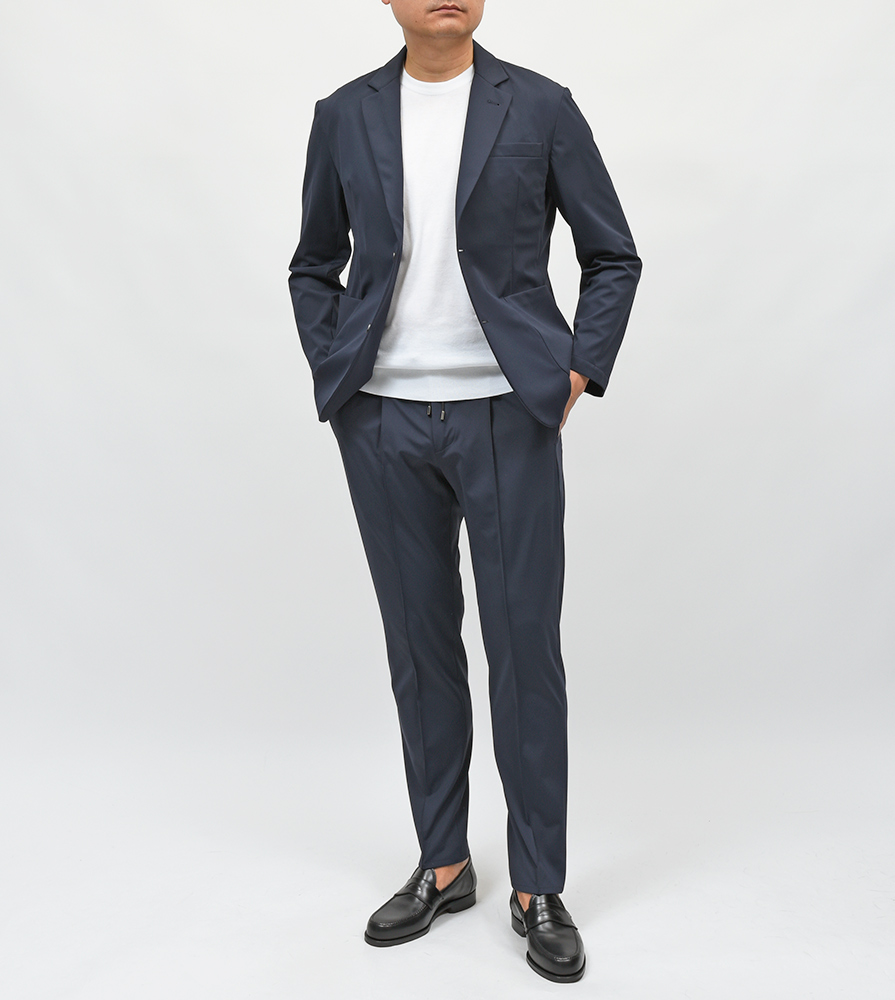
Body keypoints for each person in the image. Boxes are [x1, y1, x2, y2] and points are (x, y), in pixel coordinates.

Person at [287, 0, 640, 983]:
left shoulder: (541, 106)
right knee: (420, 650)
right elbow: (312, 264)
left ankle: (537, 885)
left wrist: (575, 371)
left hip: (506, 413)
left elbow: (612, 253)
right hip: (382, 419)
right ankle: (443, 863)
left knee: (524, 651)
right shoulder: (344, 114)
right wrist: (337, 367)